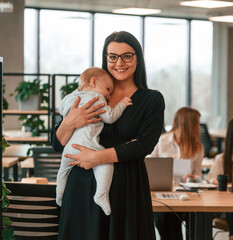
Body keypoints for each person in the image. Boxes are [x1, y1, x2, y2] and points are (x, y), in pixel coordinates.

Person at [52, 31, 164, 240]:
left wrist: (96, 157)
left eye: (127, 56)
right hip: (81, 187)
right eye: (112, 56)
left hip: (126, 189)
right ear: (105, 59)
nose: (119, 62)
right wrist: (70, 122)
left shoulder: (151, 99)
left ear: (137, 58)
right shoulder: (85, 94)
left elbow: (144, 145)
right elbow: (57, 144)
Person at [56, 67, 132, 216]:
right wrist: (122, 103)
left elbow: (61, 110)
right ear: (93, 81)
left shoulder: (69, 98)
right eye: (108, 89)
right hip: (88, 146)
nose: (109, 95)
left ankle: (59, 195)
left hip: (69, 149)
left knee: (63, 171)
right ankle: (101, 194)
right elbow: (110, 117)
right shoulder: (97, 98)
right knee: (106, 164)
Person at [149, 107, 204, 240]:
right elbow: (148, 166)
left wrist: (193, 178)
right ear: (187, 125)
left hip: (185, 194)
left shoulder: (197, 147)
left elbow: (199, 176)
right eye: (197, 124)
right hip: (161, 192)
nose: (199, 128)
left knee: (176, 217)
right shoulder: (161, 141)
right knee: (167, 215)